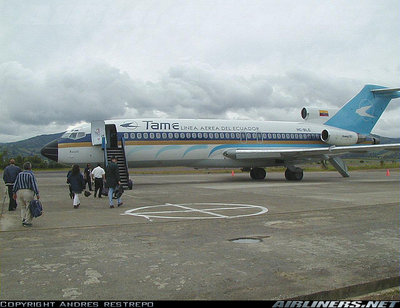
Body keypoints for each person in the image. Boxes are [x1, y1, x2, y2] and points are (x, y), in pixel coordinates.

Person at [12, 162, 39, 227]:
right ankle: (27, 221)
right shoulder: (30, 174)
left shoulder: (19, 174)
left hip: (20, 191)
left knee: (22, 206)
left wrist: (14, 192)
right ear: (30, 167)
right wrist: (37, 193)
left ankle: (23, 218)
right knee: (29, 207)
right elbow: (34, 184)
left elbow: (16, 184)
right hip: (28, 191)